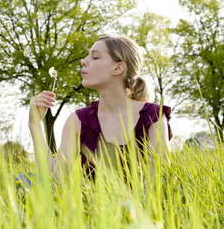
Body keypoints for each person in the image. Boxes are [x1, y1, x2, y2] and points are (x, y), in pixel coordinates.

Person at [28, 34, 173, 182]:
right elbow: (55, 176)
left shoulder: (152, 116)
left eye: (95, 57)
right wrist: (35, 124)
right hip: (92, 205)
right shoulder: (79, 120)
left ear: (118, 68)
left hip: (140, 205)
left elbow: (157, 181)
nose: (83, 62)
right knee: (25, 180)